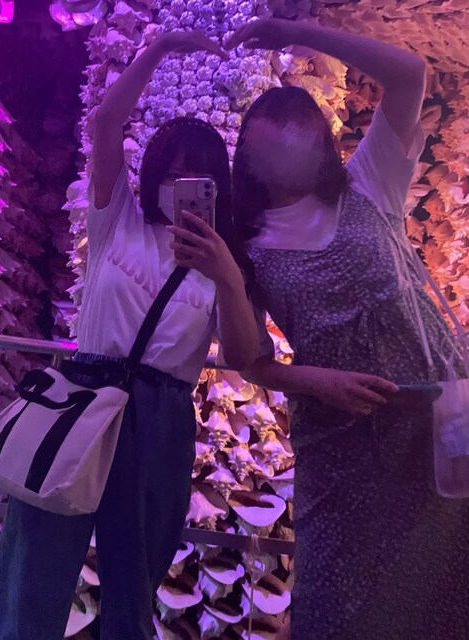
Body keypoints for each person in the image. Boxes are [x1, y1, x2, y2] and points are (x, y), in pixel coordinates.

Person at [0, 31, 260, 640]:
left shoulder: (224, 261)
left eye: (199, 178)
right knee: (35, 563)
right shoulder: (120, 219)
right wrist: (159, 49)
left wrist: (226, 274)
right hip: (82, 397)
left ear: (217, 187)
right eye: (173, 173)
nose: (182, 185)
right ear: (154, 173)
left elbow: (244, 358)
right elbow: (106, 122)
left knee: (133, 584)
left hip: (160, 416)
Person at [227, 18, 469, 640]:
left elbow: (408, 74)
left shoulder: (367, 183)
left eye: (302, 136)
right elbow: (251, 360)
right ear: (248, 157)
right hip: (341, 440)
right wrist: (319, 381)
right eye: (273, 143)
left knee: (447, 588)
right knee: (338, 600)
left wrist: (295, 29)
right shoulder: (247, 243)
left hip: (435, 423)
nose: (291, 152)